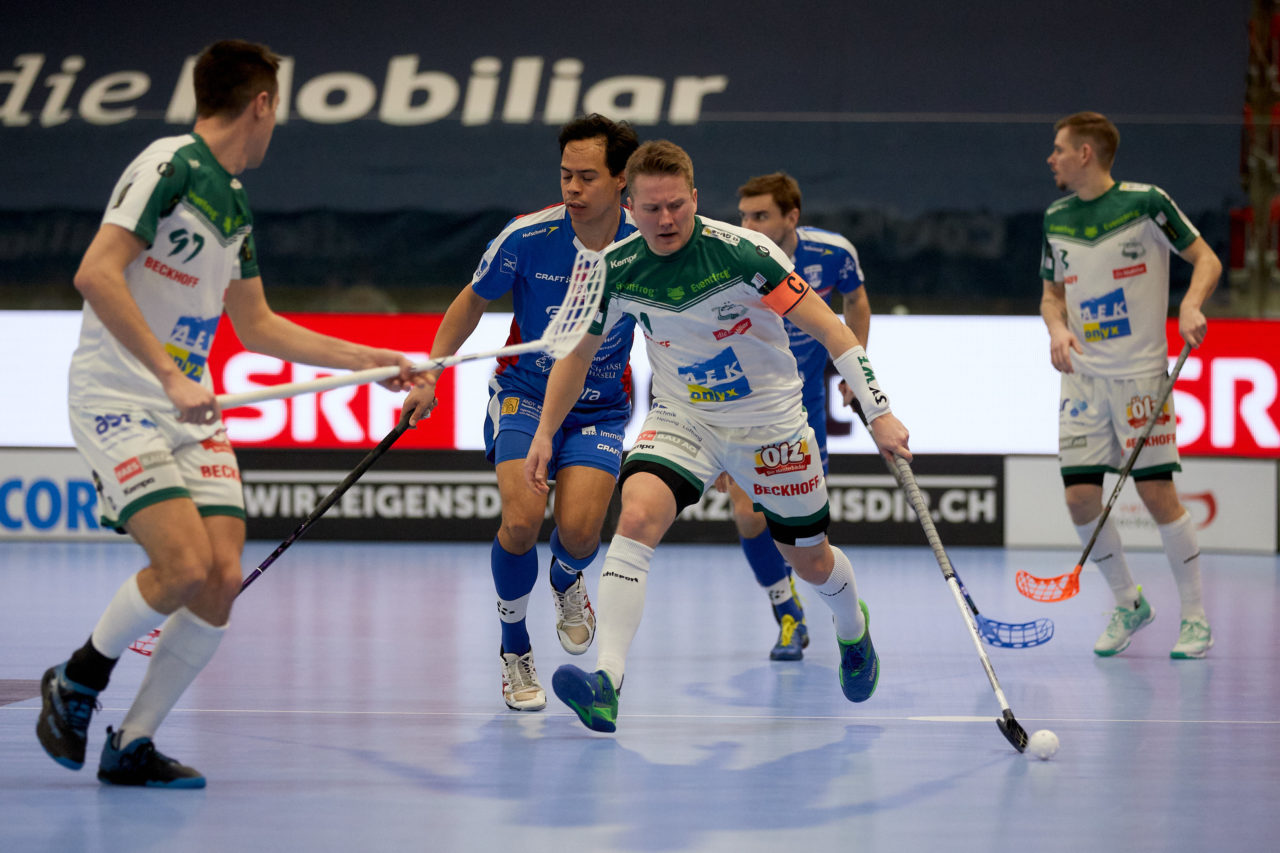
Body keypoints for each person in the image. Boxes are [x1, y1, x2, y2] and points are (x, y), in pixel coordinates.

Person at [37, 40, 415, 788]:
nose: (278, 124)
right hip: (121, 395)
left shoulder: (234, 200)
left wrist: (371, 361)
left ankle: (132, 744)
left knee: (221, 576)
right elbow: (95, 272)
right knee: (180, 565)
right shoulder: (168, 164)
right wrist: (170, 373)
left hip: (189, 406)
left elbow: (260, 326)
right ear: (262, 103)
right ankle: (77, 678)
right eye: (279, 109)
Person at [523, 140, 911, 733]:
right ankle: (607, 683)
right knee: (635, 519)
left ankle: (852, 631)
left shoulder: (744, 254)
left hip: (770, 425)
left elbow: (834, 331)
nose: (667, 220)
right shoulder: (617, 269)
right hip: (684, 419)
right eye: (652, 209)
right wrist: (546, 431)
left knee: (809, 562)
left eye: (677, 205)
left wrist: (880, 410)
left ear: (695, 198)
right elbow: (577, 357)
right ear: (630, 206)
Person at [401, 114, 640, 711]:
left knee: (581, 534)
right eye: (565, 175)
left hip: (602, 406)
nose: (573, 189)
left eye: (588, 177)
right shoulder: (527, 237)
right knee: (520, 522)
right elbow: (470, 302)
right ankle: (514, 648)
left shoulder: (650, 243)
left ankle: (565, 580)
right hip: (526, 395)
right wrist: (431, 372)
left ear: (622, 182)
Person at [1040, 111, 1222, 659]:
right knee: (1078, 498)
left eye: (1058, 149)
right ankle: (1129, 602)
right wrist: (1057, 331)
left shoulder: (1146, 204)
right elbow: (1052, 294)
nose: (1051, 158)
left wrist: (1190, 305)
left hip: (1140, 377)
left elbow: (1206, 258)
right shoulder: (1056, 217)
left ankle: (1195, 618)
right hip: (1083, 380)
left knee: (1156, 493)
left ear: (1086, 154)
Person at [716, 172, 871, 660]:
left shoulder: (834, 254)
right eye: (744, 215)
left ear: (792, 217)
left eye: (760, 215)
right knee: (747, 511)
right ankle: (787, 613)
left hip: (804, 409)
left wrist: (855, 369)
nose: (749, 225)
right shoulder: (730, 256)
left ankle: (840, 605)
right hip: (748, 405)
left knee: (804, 532)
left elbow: (857, 302)